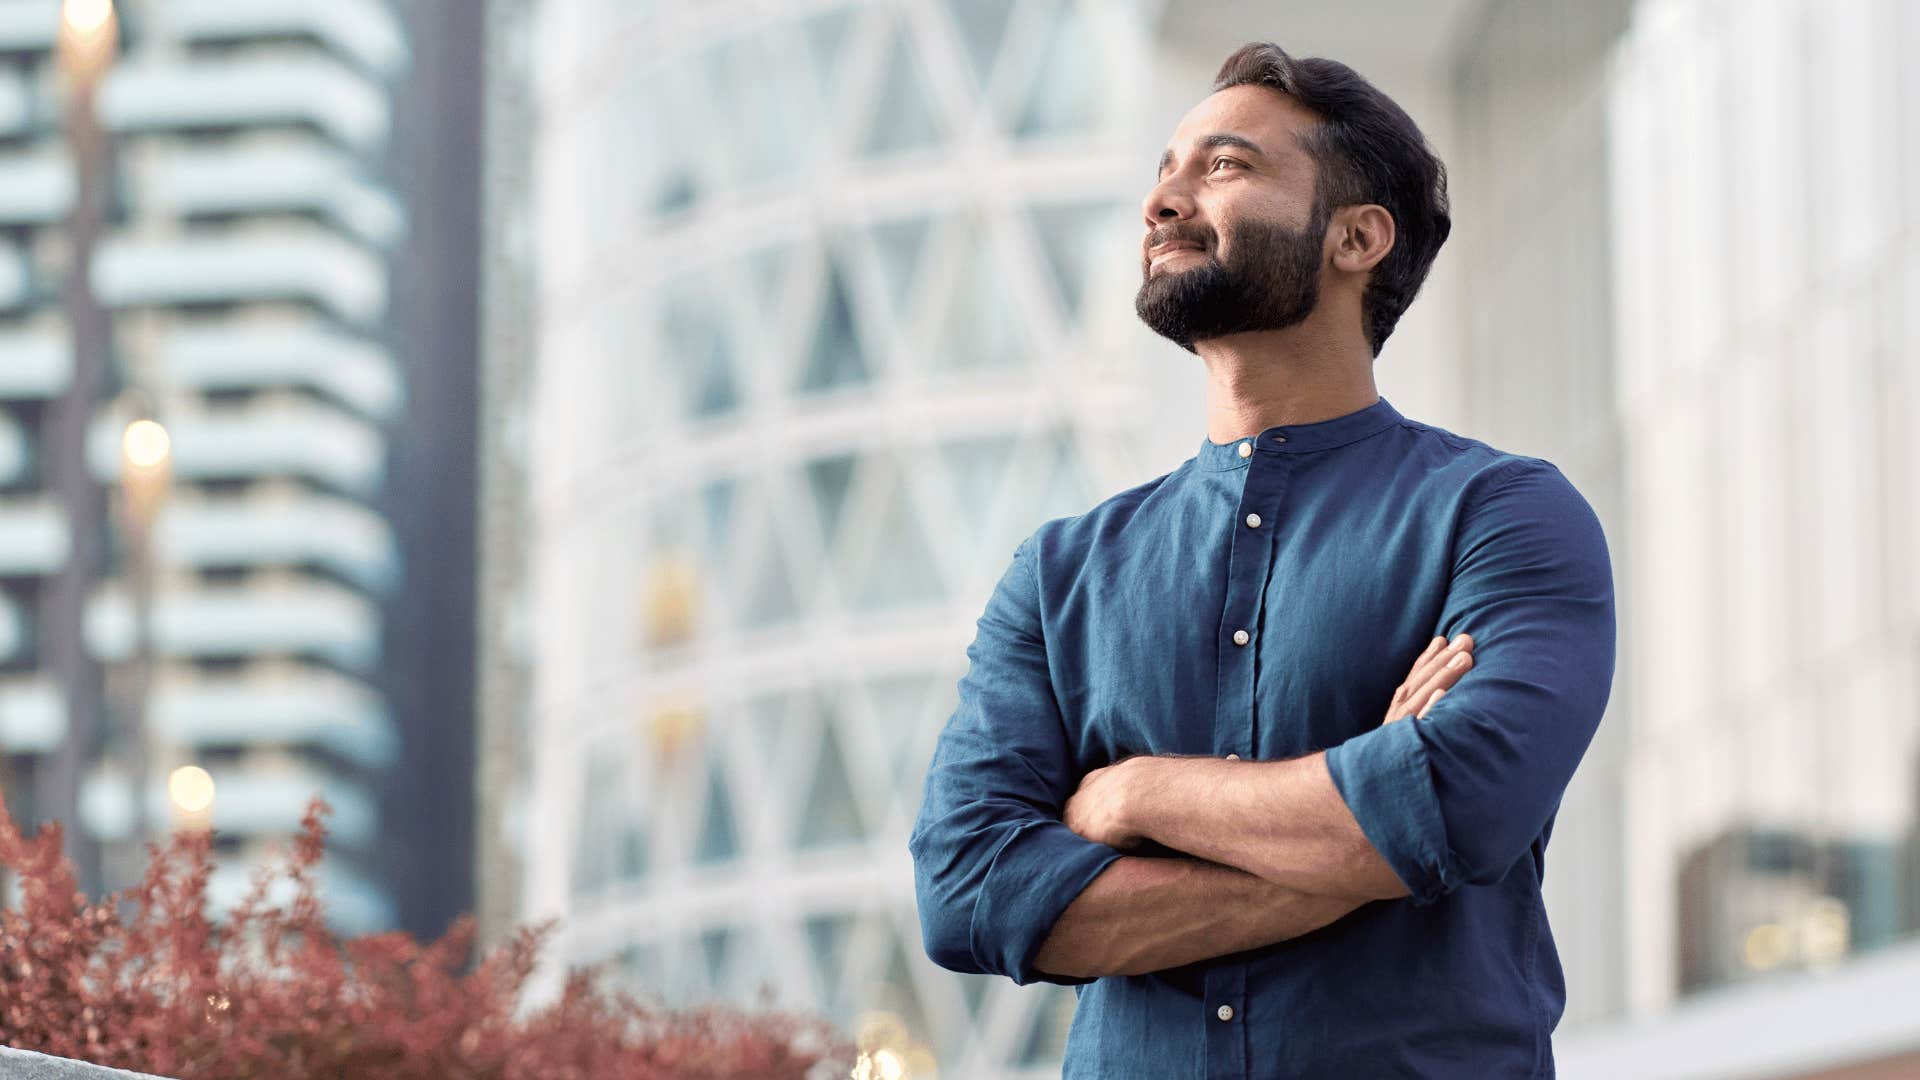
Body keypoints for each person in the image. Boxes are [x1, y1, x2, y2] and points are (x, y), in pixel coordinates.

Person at [906, 39, 1616, 1078]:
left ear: (1357, 238)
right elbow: (970, 892)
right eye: (1164, 171)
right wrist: (1361, 829)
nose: (1165, 201)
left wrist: (1136, 796)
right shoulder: (1060, 576)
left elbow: (1462, 800)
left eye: (1225, 167)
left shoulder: (1502, 516)